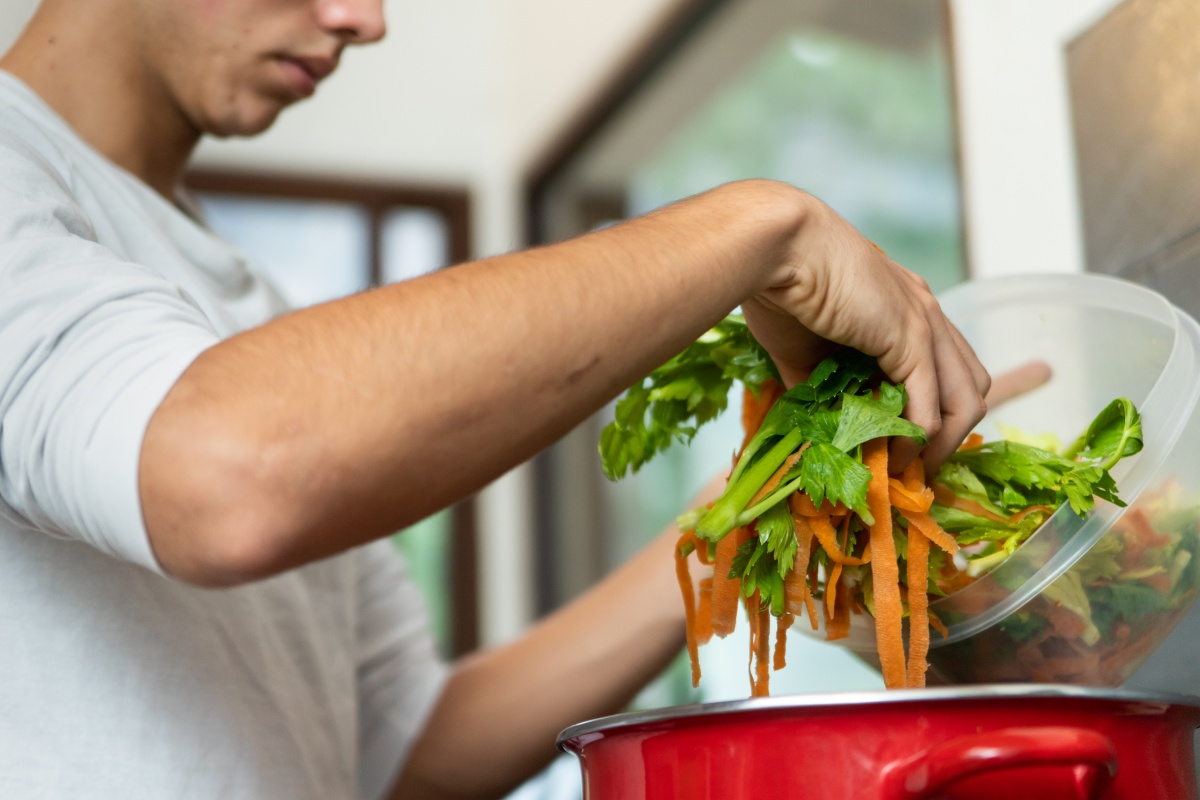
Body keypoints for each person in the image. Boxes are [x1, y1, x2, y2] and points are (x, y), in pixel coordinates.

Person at [0, 0, 990, 798]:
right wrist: (764, 227)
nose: (366, 19)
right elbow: (223, 473)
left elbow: (409, 754)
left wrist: (753, 496)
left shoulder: (242, 309)